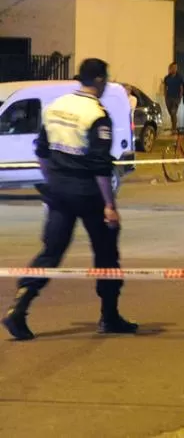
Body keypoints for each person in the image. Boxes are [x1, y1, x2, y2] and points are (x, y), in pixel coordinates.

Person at [2, 58, 137, 341]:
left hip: (59, 192)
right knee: (106, 252)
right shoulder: (96, 115)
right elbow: (101, 166)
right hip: (88, 193)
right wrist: (109, 206)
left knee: (51, 252)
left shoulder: (57, 106)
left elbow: (41, 151)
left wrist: (53, 180)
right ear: (99, 81)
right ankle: (109, 316)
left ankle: (19, 307)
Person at [162, 62, 183, 134]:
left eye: (176, 67)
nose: (174, 69)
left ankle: (174, 128)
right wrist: (165, 96)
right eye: (173, 67)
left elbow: (181, 88)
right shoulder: (167, 78)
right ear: (170, 68)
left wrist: (180, 97)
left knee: (173, 112)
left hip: (176, 98)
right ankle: (173, 126)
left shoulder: (179, 77)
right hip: (168, 98)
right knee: (171, 113)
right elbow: (165, 87)